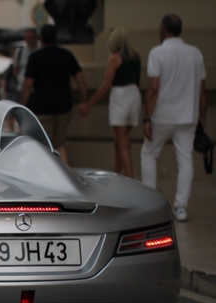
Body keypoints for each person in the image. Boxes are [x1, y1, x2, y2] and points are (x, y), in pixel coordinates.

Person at [141, 14, 207, 222]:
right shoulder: (195, 53)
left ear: (162, 29)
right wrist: (201, 118)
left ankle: (150, 204)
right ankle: (181, 207)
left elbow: (153, 88)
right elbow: (202, 92)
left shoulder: (157, 53)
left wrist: (147, 118)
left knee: (149, 153)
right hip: (188, 116)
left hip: (162, 115)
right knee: (185, 159)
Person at [78, 28, 141, 178]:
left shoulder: (114, 58)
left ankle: (130, 181)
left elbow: (105, 86)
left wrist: (89, 104)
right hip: (135, 96)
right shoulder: (136, 57)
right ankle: (116, 176)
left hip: (120, 97)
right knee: (119, 140)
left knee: (123, 143)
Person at [21, 24, 87, 164]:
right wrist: (84, 100)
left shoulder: (35, 57)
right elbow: (80, 80)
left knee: (43, 146)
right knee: (60, 143)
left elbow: (27, 85)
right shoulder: (67, 55)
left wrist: (22, 107)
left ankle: (46, 177)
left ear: (41, 39)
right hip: (64, 107)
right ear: (56, 38)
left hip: (42, 108)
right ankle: (65, 176)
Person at [13, 28, 40, 95]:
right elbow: (16, 68)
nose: (29, 40)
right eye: (27, 38)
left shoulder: (41, 49)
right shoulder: (20, 51)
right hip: (22, 87)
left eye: (32, 38)